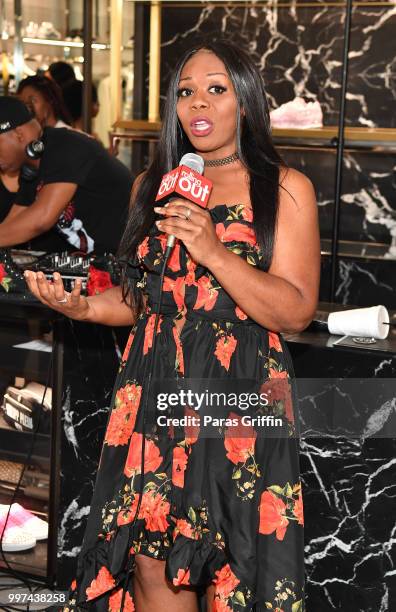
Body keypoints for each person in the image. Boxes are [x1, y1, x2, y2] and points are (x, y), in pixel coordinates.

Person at [24, 41, 320, 611]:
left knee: (236, 570)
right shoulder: (151, 186)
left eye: (216, 88)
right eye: (185, 91)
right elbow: (140, 299)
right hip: (153, 397)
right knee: (152, 564)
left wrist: (213, 249)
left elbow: (295, 310)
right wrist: (85, 307)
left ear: (246, 100)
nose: (198, 103)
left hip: (239, 401)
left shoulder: (284, 189)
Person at [0, 96, 132, 253]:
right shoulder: (30, 169)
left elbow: (41, 219)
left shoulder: (65, 146)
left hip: (137, 255)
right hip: (108, 261)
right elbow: (12, 223)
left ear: (19, 134)